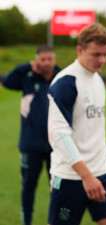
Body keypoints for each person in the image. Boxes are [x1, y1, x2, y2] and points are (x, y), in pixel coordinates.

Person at [47, 23, 106, 225]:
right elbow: (60, 136)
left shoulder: (99, 80)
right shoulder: (65, 83)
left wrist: (96, 173)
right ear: (80, 50)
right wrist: (87, 177)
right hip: (71, 176)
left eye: (105, 54)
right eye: (96, 54)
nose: (102, 60)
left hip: (103, 171)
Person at [2, 45, 60, 225]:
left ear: (54, 60)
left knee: (58, 187)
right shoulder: (27, 79)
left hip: (56, 145)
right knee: (28, 186)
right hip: (30, 144)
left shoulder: (61, 79)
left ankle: (55, 220)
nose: (47, 63)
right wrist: (26, 66)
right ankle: (26, 221)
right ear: (37, 61)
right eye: (43, 59)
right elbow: (7, 81)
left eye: (49, 59)